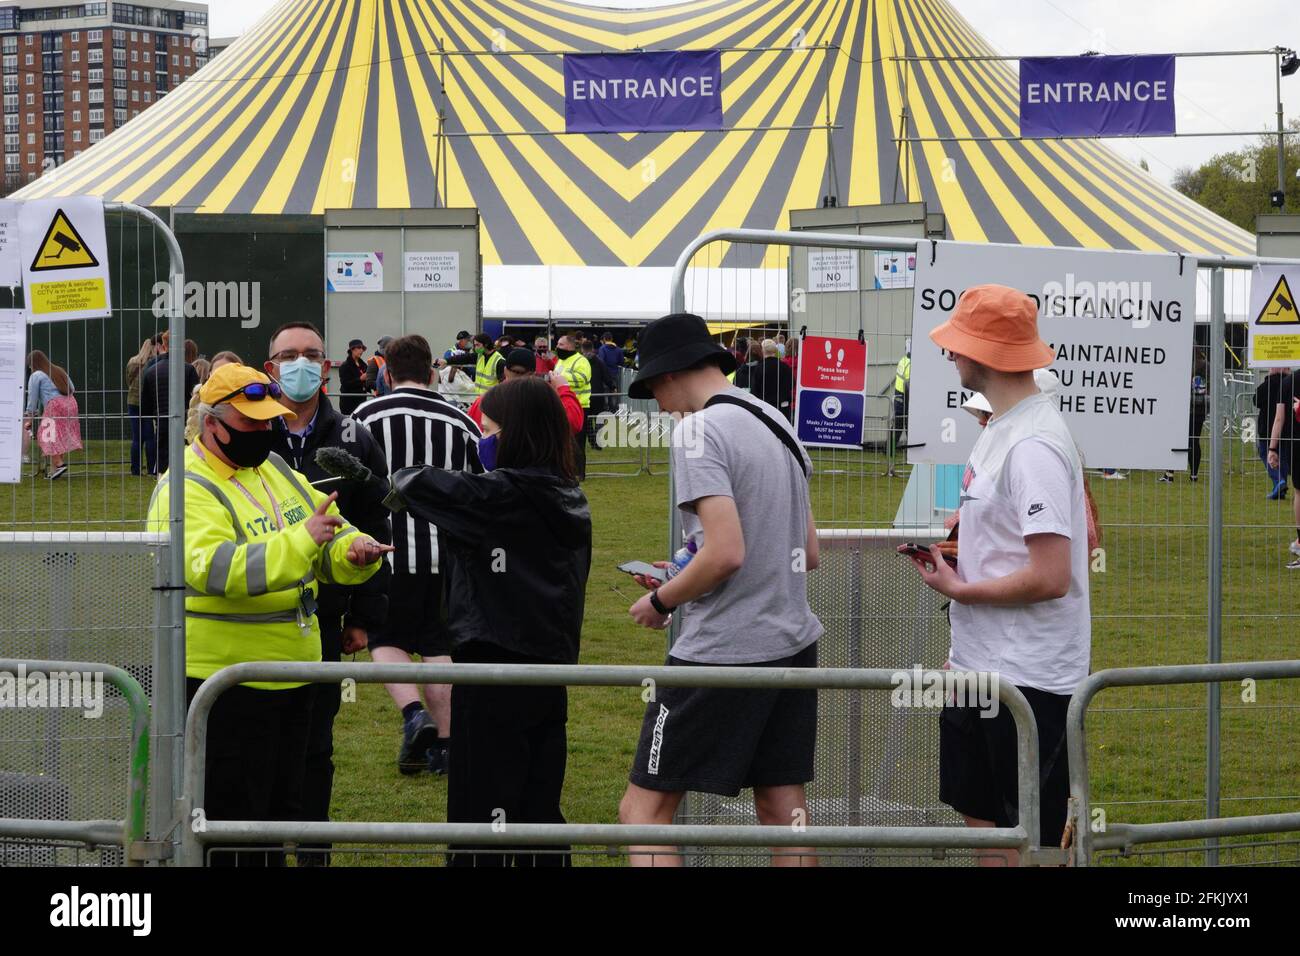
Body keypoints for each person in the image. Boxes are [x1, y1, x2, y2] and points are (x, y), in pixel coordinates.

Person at [146, 363, 390, 867]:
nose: (264, 431)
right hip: (224, 685)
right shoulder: (186, 486)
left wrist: (352, 551)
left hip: (291, 676)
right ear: (211, 423)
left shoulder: (275, 469)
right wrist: (304, 542)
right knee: (234, 828)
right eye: (251, 422)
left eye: (267, 421)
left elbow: (328, 526)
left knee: (278, 819)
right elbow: (214, 570)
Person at [619, 312, 823, 867]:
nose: (658, 407)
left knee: (644, 813)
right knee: (785, 812)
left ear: (669, 374)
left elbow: (729, 553)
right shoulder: (773, 418)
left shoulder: (698, 431)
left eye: (651, 389)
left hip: (723, 653)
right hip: (792, 643)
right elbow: (807, 548)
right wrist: (686, 564)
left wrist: (663, 599)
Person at [905, 284, 1090, 866]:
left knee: (1031, 840)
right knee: (984, 826)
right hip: (981, 669)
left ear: (985, 353)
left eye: (957, 343)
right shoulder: (1001, 432)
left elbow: (1053, 575)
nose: (949, 354)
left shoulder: (1033, 443)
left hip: (1028, 680)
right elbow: (1014, 548)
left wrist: (961, 588)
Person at [386, 375, 591, 867]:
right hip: (547, 670)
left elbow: (411, 482)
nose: (483, 438)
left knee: (482, 807)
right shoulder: (568, 494)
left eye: (489, 427)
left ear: (515, 432)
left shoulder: (500, 495)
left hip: (492, 670)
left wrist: (379, 479)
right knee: (538, 804)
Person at [262, 322, 391, 862]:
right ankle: (258, 844)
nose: (300, 364)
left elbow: (374, 523)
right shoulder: (250, 431)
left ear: (328, 365)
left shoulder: (353, 438)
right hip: (256, 617)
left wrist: (366, 615)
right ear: (270, 367)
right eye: (289, 355)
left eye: (311, 355)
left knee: (315, 743)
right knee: (257, 748)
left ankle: (313, 850)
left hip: (325, 618)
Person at [355, 335, 484, 774]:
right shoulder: (462, 421)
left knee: (386, 639)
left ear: (386, 373)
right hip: (447, 555)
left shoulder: (365, 416)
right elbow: (483, 485)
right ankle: (445, 747)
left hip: (386, 550)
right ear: (432, 371)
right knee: (437, 645)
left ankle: (414, 715)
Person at [140, 330, 200, 475]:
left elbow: (145, 407)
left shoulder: (151, 371)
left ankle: (164, 487)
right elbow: (197, 399)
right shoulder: (189, 369)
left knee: (163, 464)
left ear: (164, 345)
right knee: (186, 461)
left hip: (162, 422)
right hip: (185, 424)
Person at [24, 350, 82, 480]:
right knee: (60, 435)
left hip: (55, 406)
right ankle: (55, 470)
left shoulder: (36, 375)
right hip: (71, 404)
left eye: (29, 365)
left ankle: (59, 465)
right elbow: (72, 387)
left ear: (33, 364)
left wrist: (29, 418)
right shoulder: (58, 370)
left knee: (46, 435)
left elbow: (32, 399)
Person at [1266, 368, 1300, 568]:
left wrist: (1272, 448)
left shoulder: (1288, 382)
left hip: (1296, 444)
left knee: (1299, 491)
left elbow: (1279, 418)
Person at [1159, 351, 1209, 484]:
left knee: (1177, 441)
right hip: (1198, 410)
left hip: (1187, 409)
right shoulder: (1203, 365)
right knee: (1193, 440)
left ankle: (1170, 474)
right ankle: (1192, 475)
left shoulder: (1190, 366)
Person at [553, 335, 592, 479]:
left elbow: (583, 379)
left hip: (579, 405)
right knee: (564, 441)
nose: (557, 347)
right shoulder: (561, 361)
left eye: (561, 344)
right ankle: (566, 470)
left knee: (577, 442)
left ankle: (578, 473)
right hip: (562, 404)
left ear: (570, 346)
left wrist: (562, 379)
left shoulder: (581, 361)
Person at [186, 351, 242, 444]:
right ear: (209, 376)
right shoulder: (200, 407)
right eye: (217, 375)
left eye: (229, 374)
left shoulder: (250, 405)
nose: (222, 379)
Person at [1256, 368, 1290, 499]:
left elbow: (1256, 400)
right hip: (1286, 427)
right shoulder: (1290, 382)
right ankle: (1281, 486)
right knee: (1283, 457)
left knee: (1266, 453)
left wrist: (1267, 379)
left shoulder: (1268, 384)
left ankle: (1278, 480)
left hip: (1268, 427)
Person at [126, 338, 157, 477]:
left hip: (132, 401)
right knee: (149, 436)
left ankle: (135, 470)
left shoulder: (133, 361)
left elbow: (128, 380)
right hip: (147, 403)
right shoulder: (154, 362)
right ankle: (151, 469)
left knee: (137, 438)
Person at [742, 338, 795, 421]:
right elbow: (792, 383)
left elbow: (755, 390)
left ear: (763, 351)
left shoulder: (759, 368)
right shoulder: (785, 367)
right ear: (775, 351)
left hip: (765, 407)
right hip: (782, 406)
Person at [581, 339, 615, 446]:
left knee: (587, 420)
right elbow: (606, 376)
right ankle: (597, 439)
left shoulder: (579, 362)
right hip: (598, 394)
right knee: (599, 418)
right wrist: (612, 387)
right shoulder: (599, 361)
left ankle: (592, 439)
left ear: (582, 349)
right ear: (593, 349)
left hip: (585, 395)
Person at [889, 341, 911, 467]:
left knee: (897, 426)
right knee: (909, 427)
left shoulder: (903, 360)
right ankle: (911, 452)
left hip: (899, 396)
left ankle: (889, 450)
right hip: (905, 397)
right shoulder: (910, 364)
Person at [337, 339, 369, 415]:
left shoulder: (364, 365)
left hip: (361, 400)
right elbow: (345, 384)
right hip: (349, 402)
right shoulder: (345, 366)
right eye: (359, 348)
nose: (361, 350)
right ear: (352, 349)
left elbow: (366, 382)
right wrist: (360, 379)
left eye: (362, 348)